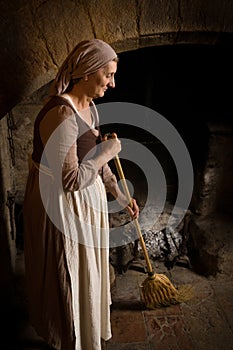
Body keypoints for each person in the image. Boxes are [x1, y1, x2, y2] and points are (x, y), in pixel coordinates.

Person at [23, 38, 139, 350]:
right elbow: (72, 179)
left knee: (87, 275)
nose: (112, 84)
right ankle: (67, 337)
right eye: (108, 75)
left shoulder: (90, 108)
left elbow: (96, 164)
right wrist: (109, 150)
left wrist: (120, 193)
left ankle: (86, 330)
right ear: (87, 72)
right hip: (61, 207)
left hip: (85, 205)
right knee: (67, 276)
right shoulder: (62, 114)